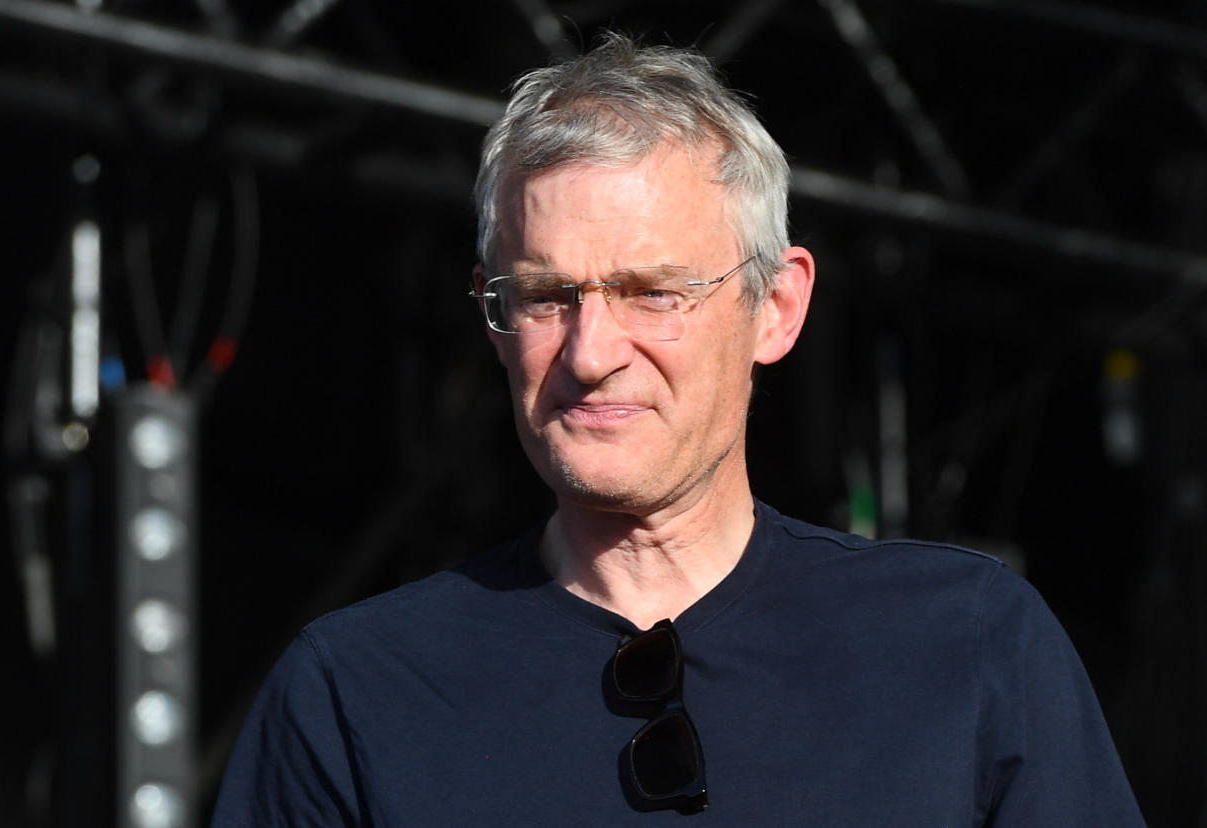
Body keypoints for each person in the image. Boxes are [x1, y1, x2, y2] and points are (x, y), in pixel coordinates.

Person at [211, 33, 1144, 826]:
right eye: (542, 297)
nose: (590, 353)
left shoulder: (964, 642)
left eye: (652, 293)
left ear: (775, 309)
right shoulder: (357, 690)